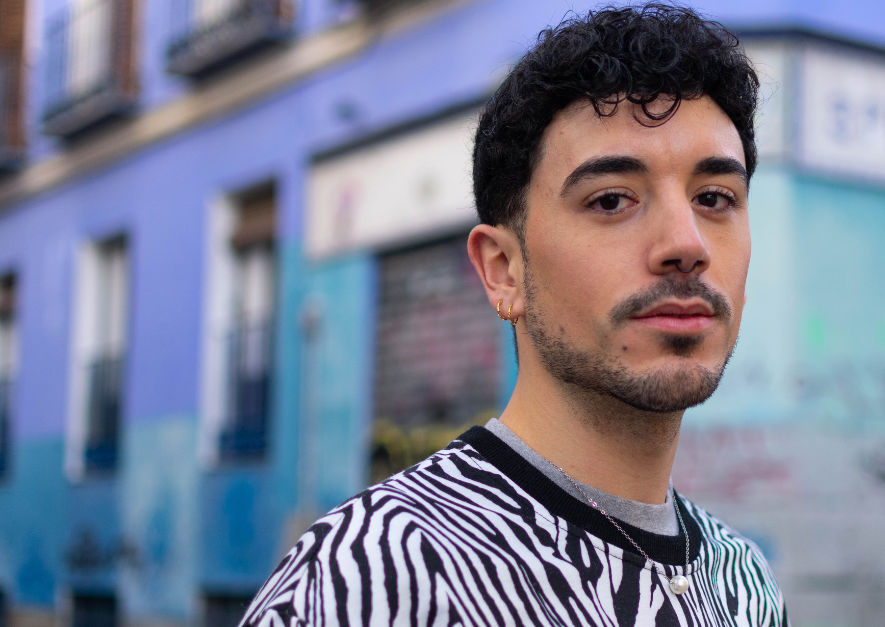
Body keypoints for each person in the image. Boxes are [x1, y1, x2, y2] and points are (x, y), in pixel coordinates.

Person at [241, 4, 788, 625]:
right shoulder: (378, 576)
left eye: (715, 198)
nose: (686, 244)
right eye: (611, 200)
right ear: (503, 269)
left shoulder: (744, 581)